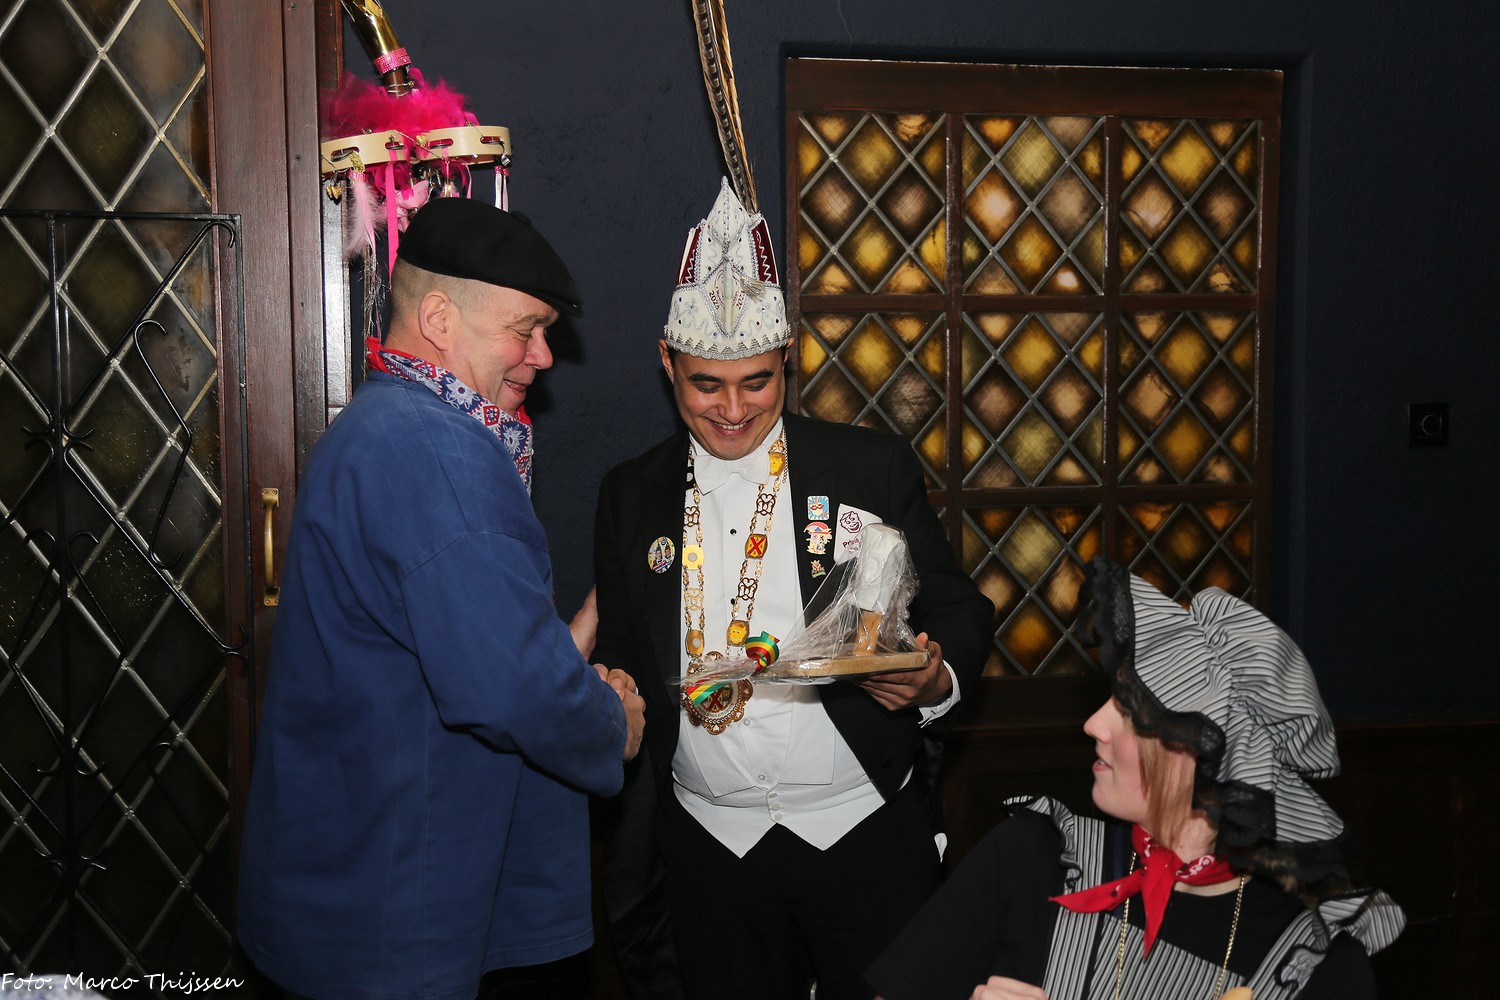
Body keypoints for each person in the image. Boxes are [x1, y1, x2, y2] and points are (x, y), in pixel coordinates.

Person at [591, 179, 995, 1000]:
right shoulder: (628, 496)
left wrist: (933, 679)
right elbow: (626, 654)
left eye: (756, 383)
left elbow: (959, 607)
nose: (732, 410)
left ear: (788, 358)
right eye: (705, 385)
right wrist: (607, 692)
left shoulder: (868, 467)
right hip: (710, 850)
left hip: (864, 834)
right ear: (667, 363)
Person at [236, 197, 646, 1000]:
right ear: (438, 319)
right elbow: (509, 691)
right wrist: (611, 725)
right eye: (526, 328)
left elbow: (432, 660)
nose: (543, 356)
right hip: (399, 913)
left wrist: (557, 651)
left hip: (358, 890)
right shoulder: (437, 450)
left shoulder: (378, 425)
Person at [867, 558, 1405, 1000]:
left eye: (1131, 710)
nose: (1094, 724)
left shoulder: (1312, 966)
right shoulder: (1035, 856)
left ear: (1209, 755)